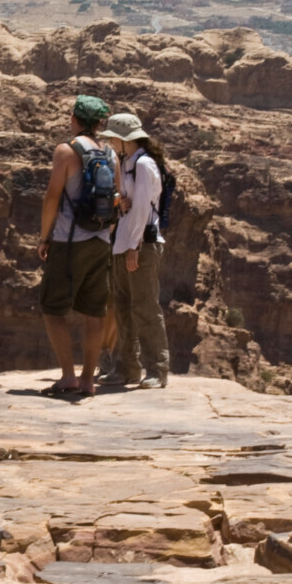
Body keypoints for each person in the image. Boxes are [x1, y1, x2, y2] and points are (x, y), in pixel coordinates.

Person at [36, 95, 116, 398]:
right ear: (99, 123)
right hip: (100, 241)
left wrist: (45, 238)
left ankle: (68, 376)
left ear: (75, 119)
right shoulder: (111, 154)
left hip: (69, 242)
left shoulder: (66, 151)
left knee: (53, 308)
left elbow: (53, 197)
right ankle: (87, 380)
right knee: (94, 312)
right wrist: (105, 234)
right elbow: (117, 201)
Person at [97, 113, 171, 389]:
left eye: (113, 137)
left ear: (124, 138)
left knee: (145, 308)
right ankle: (126, 368)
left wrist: (133, 248)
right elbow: (131, 204)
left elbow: (142, 209)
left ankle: (157, 368)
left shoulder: (143, 164)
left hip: (139, 245)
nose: (112, 142)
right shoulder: (128, 163)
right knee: (124, 308)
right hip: (123, 243)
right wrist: (121, 204)